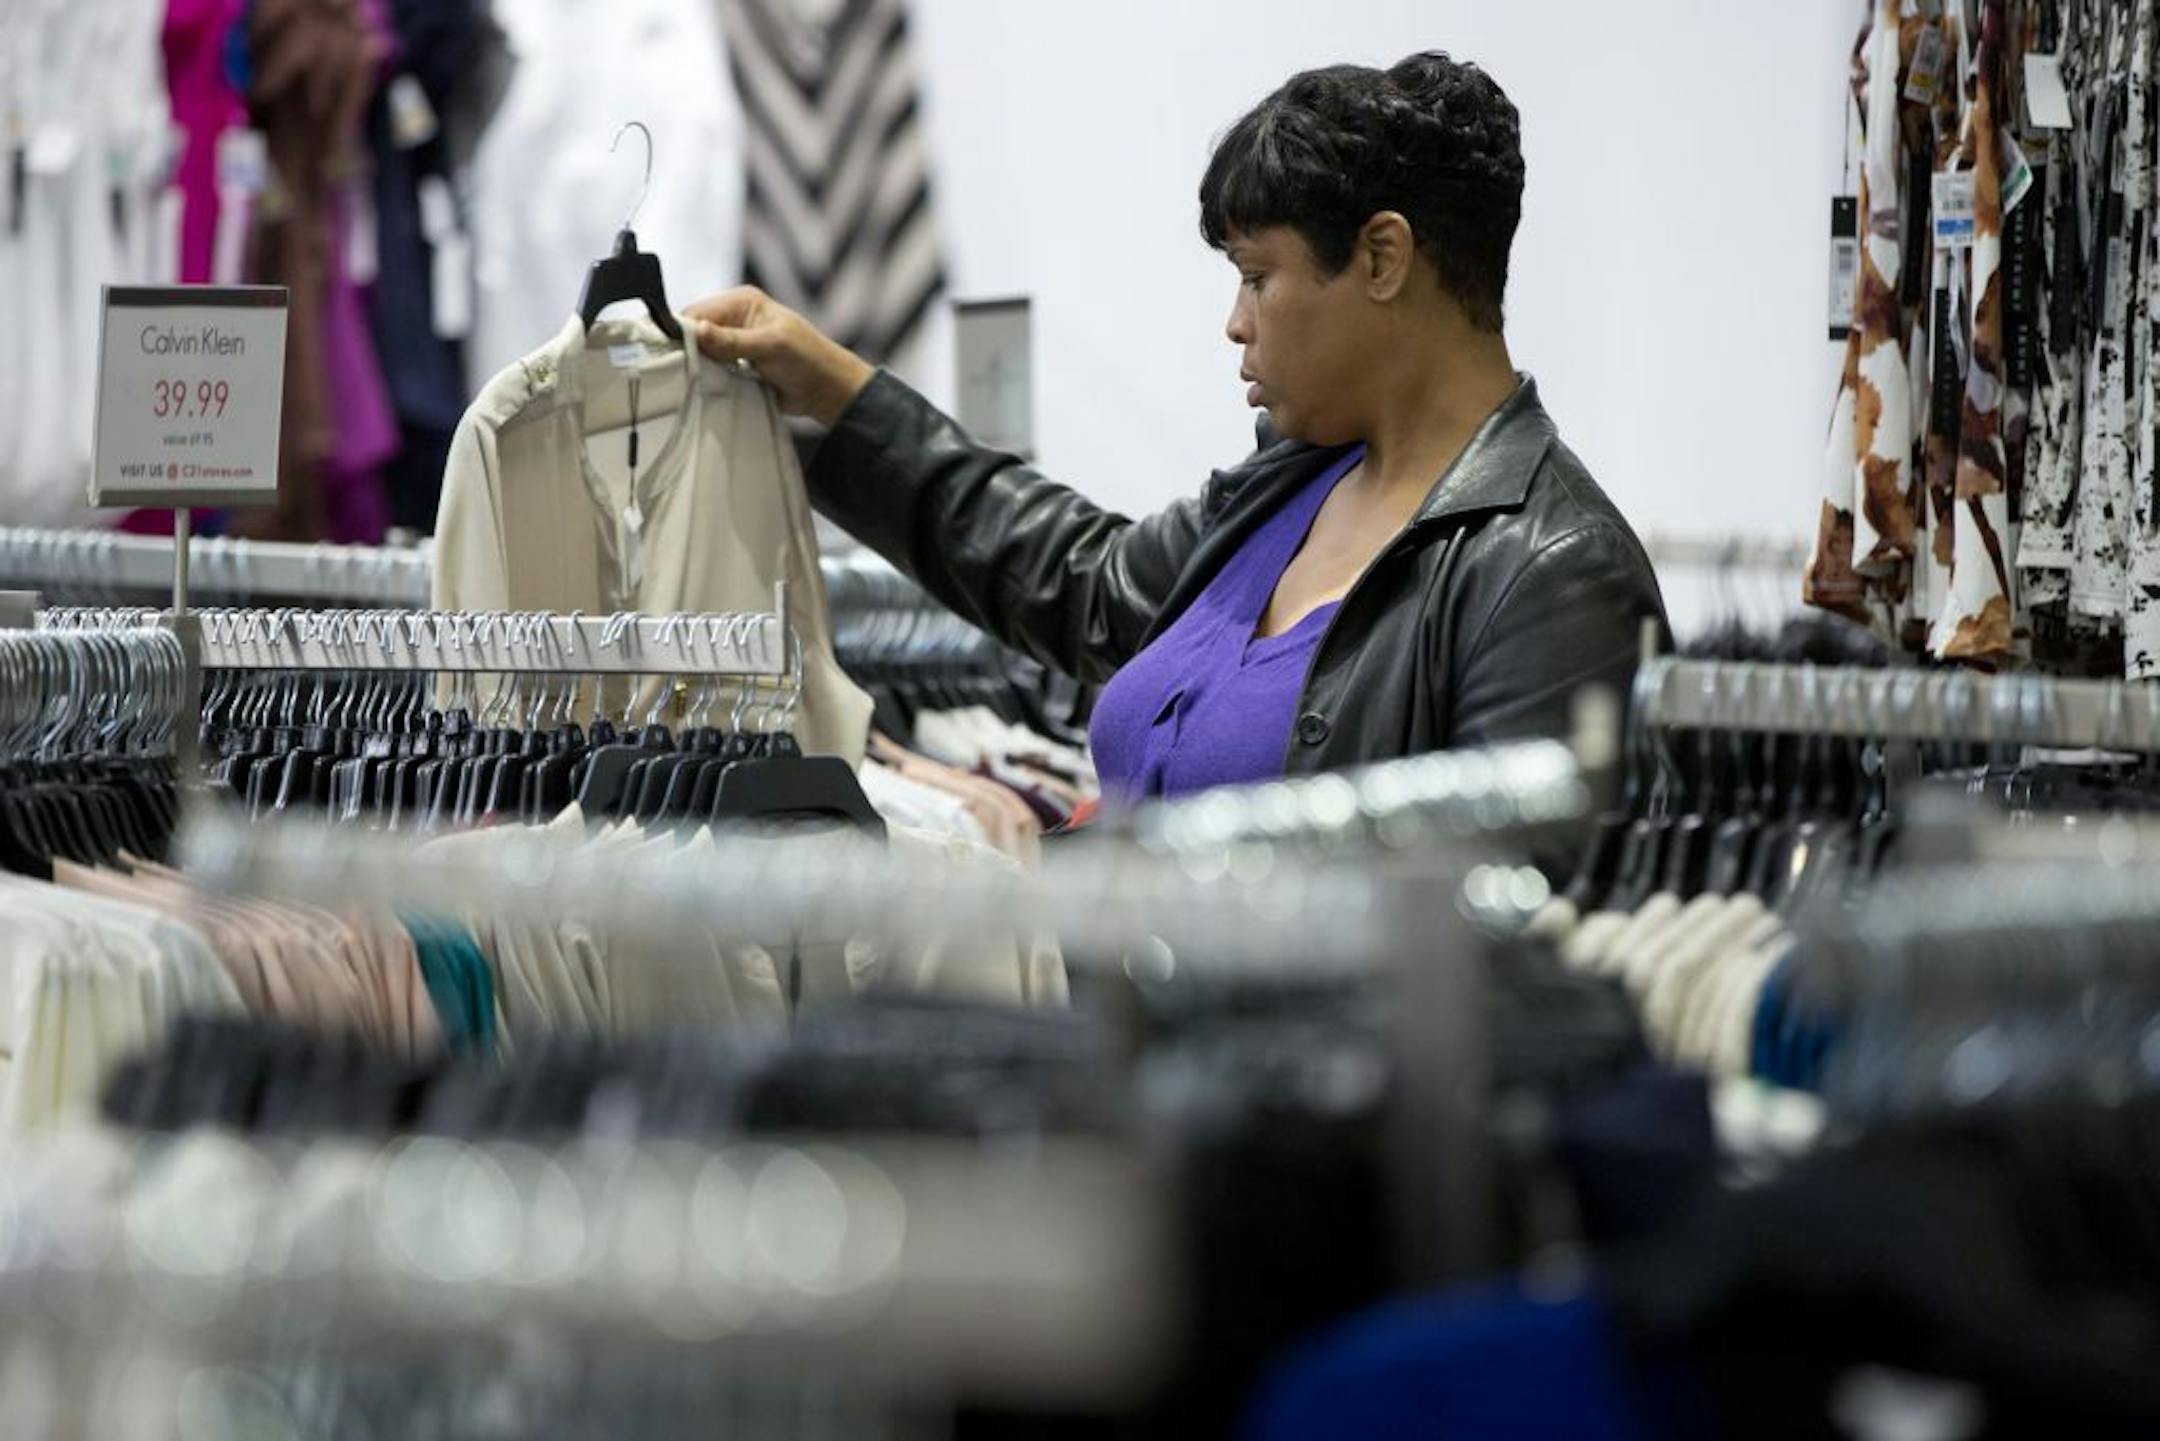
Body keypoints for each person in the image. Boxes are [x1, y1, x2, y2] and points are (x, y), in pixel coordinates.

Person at [688, 51, 1666, 805]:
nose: (1236, 323)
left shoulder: (1554, 571)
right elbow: (1077, 582)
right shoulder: (1297, 482)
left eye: (1256, 277)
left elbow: (1518, 968)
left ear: (1381, 258)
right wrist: (831, 386)